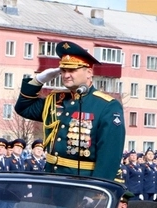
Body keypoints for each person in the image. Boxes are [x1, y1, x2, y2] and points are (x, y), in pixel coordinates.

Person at [14, 40, 124, 181]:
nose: (66, 75)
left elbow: (109, 156)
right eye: (63, 71)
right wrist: (38, 81)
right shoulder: (54, 100)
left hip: (82, 182)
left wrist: (96, 191)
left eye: (72, 70)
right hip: (52, 180)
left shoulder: (106, 106)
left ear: (89, 72)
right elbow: (24, 108)